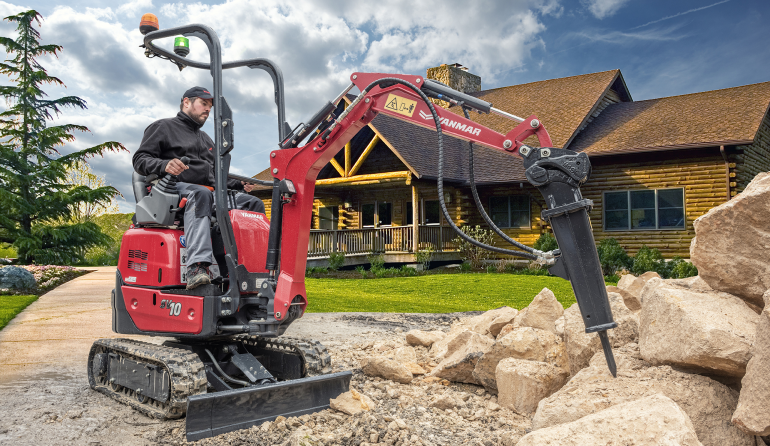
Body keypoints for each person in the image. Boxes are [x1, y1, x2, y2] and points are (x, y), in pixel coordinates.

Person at [133, 86, 265, 290]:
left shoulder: (205, 139)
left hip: (208, 193)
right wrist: (164, 165)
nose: (208, 109)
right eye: (204, 104)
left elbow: (217, 175)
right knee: (200, 193)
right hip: (171, 190)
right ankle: (197, 268)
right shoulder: (163, 127)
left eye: (210, 106)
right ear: (186, 102)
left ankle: (249, 268)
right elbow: (140, 160)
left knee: (252, 204)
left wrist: (239, 184)